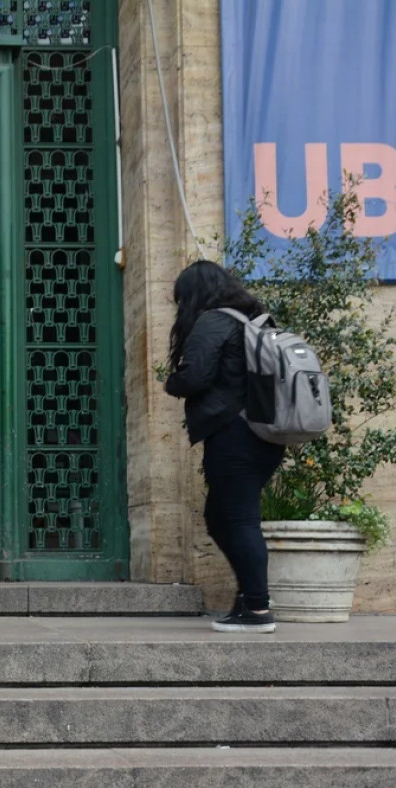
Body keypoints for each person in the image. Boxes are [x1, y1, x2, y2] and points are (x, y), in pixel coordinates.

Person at [164, 260, 284, 633]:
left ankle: (258, 610)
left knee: (240, 519)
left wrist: (173, 382)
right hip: (264, 436)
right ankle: (249, 597)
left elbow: (196, 376)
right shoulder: (256, 320)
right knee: (220, 516)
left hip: (234, 434)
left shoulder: (214, 320)